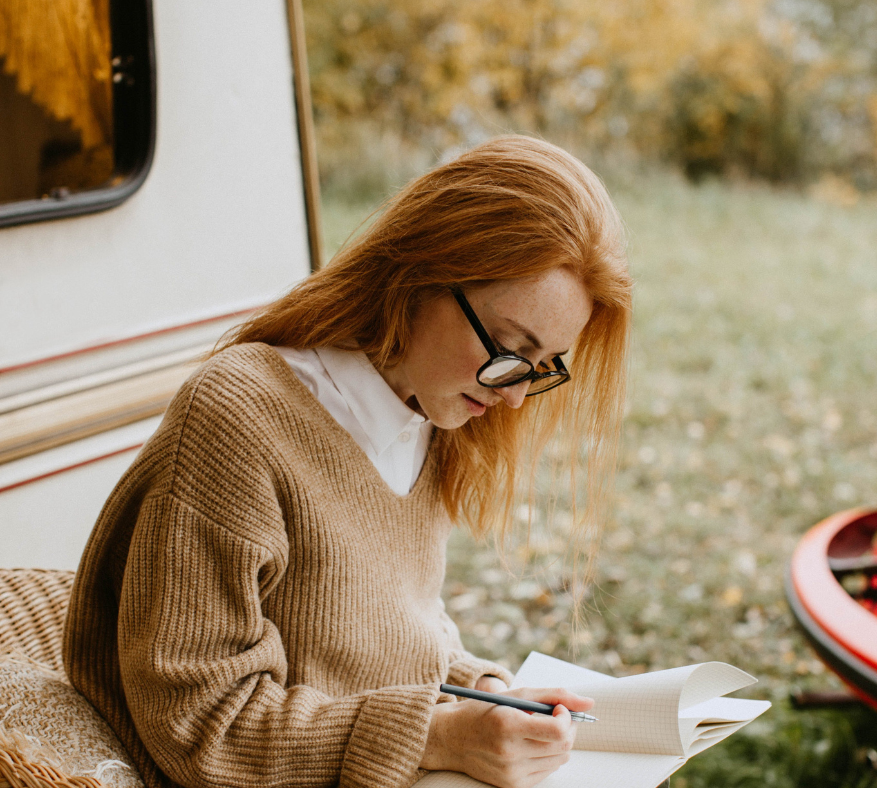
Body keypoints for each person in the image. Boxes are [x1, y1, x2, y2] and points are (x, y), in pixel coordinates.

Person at [63, 135, 633, 788]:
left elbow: (386, 638)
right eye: (507, 348)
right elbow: (200, 723)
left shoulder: (429, 413)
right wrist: (433, 734)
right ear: (419, 274)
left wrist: (483, 690)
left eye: (543, 368)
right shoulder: (239, 418)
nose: (513, 398)